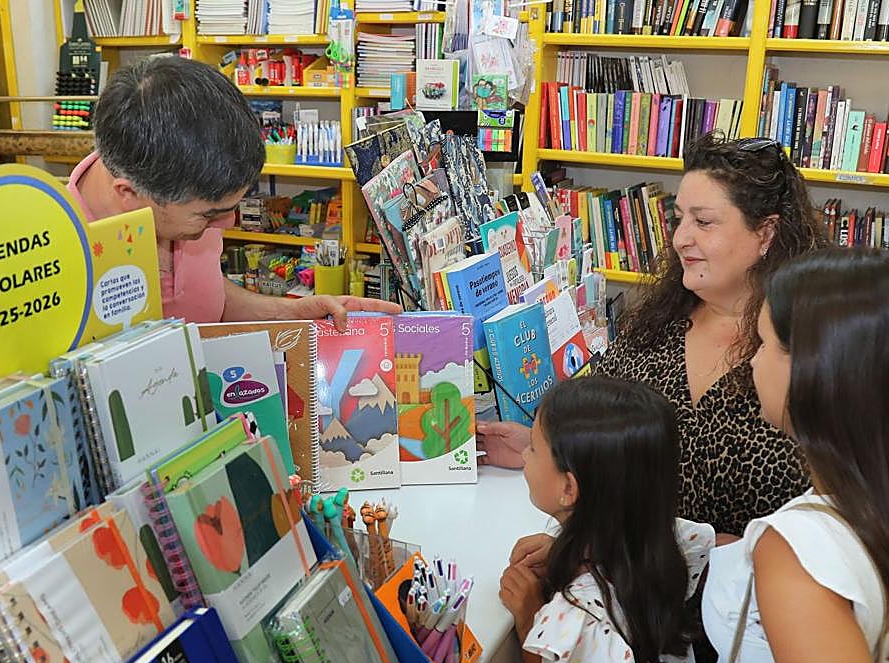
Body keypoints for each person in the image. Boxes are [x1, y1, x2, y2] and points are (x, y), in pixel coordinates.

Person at [483, 134, 825, 539]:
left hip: (760, 579)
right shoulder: (654, 328)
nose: (680, 238)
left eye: (703, 222)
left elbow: (832, 517)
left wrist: (732, 551)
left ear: (766, 234)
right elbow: (609, 443)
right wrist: (545, 452)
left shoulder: (807, 352)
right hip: (638, 570)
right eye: (679, 219)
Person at [693, 248, 889, 663]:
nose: (752, 362)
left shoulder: (796, 545)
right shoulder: (862, 505)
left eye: (765, 344)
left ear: (818, 370)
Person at [499, 376, 715, 663]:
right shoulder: (664, 549)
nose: (524, 456)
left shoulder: (577, 620)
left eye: (533, 447)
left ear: (569, 488)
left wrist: (533, 626)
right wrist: (569, 550)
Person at [67, 55, 400, 329]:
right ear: (129, 194)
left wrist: (294, 312)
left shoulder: (185, 193)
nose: (227, 223)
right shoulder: (61, 258)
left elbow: (209, 298)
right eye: (209, 215)